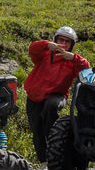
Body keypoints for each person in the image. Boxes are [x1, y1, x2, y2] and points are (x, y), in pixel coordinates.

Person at [24, 26, 90, 161]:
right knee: (37, 131)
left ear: (72, 45)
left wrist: (74, 58)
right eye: (61, 40)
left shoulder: (73, 61)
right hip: (34, 97)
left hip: (57, 96)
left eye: (67, 42)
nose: (63, 44)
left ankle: (55, 141)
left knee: (51, 106)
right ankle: (44, 161)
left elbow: (86, 70)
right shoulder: (44, 55)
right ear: (55, 40)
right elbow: (32, 48)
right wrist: (47, 45)